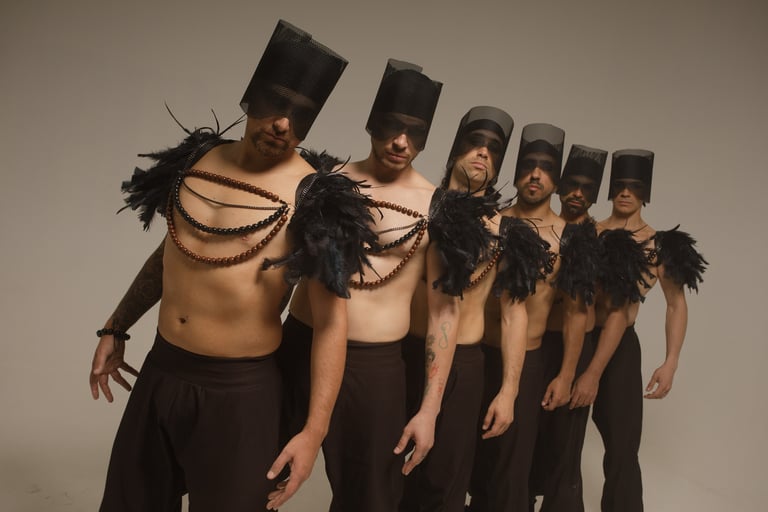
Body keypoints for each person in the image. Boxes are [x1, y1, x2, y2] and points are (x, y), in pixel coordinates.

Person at [88, 20, 370, 511]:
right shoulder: (197, 160)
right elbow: (172, 253)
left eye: (299, 115)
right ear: (250, 98)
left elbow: (331, 322)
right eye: (275, 103)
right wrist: (116, 325)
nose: (282, 123)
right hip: (162, 368)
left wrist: (313, 432)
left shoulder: (315, 197)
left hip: (239, 391)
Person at [279, 59, 449, 512]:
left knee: (370, 499)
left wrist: (429, 409)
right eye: (392, 126)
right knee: (254, 477)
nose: (401, 142)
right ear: (373, 123)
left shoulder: (435, 207)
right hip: (300, 345)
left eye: (415, 133)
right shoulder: (325, 182)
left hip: (373, 369)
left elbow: (443, 313)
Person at [401, 106, 542, 512]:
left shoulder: (505, 231)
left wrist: (509, 391)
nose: (483, 152)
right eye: (474, 142)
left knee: (445, 484)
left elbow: (515, 314)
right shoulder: (419, 208)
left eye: (494, 149)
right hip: (401, 356)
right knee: (386, 479)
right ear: (455, 149)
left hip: (464, 366)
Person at [469, 124, 600, 512]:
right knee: (467, 460)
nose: (535, 175)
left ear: (556, 181)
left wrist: (567, 375)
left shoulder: (568, 237)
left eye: (545, 170)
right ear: (516, 171)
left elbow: (576, 311)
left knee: (511, 466)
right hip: (475, 356)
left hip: (527, 363)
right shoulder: (489, 222)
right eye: (528, 166)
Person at [589, 149, 706, 512]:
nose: (626, 192)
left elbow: (676, 304)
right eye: (620, 185)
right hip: (577, 339)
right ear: (610, 188)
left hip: (622, 346)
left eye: (635, 187)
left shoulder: (659, 244)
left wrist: (671, 361)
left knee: (622, 447)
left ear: (646, 193)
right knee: (559, 439)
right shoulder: (589, 231)